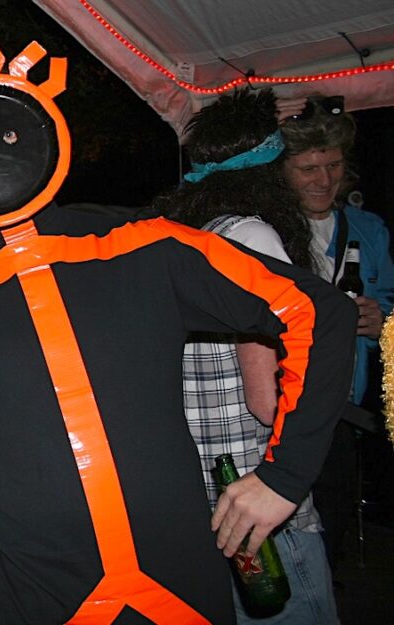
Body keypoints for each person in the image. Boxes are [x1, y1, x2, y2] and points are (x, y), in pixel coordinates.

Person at [0, 30, 358, 625]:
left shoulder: (146, 245)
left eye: (3, 131)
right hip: (46, 603)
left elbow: (317, 313)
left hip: (183, 594)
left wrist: (284, 477)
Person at [151, 89, 339, 623]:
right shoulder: (251, 235)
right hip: (259, 499)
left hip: (204, 498)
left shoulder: (188, 237)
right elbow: (266, 399)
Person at [277, 94, 394, 566]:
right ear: (282, 172)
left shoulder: (370, 229)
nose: (324, 180)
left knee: (332, 518)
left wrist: (381, 322)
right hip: (279, 404)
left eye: (334, 166)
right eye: (308, 168)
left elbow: (388, 303)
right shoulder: (265, 230)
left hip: (342, 408)